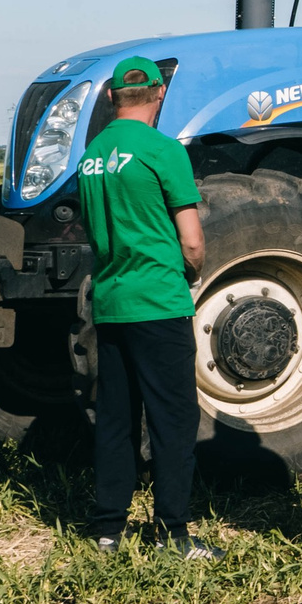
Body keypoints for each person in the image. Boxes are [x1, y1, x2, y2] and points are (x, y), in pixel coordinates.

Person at [76, 54, 216, 559]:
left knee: (115, 419)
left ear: (112, 98)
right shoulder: (163, 151)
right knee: (173, 421)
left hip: (112, 304)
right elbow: (193, 242)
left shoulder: (92, 155)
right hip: (158, 302)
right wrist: (192, 274)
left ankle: (107, 531)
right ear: (159, 94)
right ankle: (173, 534)